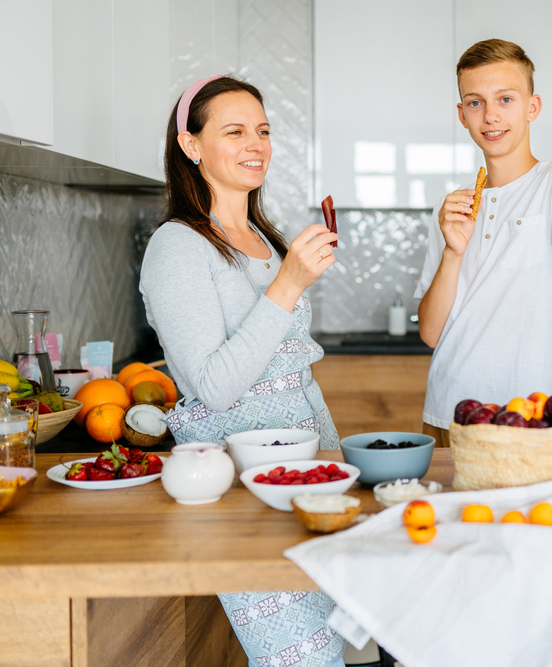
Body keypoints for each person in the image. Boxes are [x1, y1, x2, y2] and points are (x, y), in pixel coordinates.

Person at [140, 75, 346, 667]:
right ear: (191, 145)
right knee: (298, 658)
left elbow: (296, 370)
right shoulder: (178, 247)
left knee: (331, 650)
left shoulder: (263, 239)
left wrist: (334, 466)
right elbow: (215, 386)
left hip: (307, 480)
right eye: (234, 131)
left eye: (262, 130)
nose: (255, 143)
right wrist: (289, 285)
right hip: (241, 487)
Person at [416, 39, 552, 443]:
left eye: (505, 99)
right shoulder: (454, 210)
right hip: (446, 416)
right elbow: (431, 333)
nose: (490, 116)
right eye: (475, 103)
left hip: (526, 420)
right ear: (462, 114)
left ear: (532, 107)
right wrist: (453, 254)